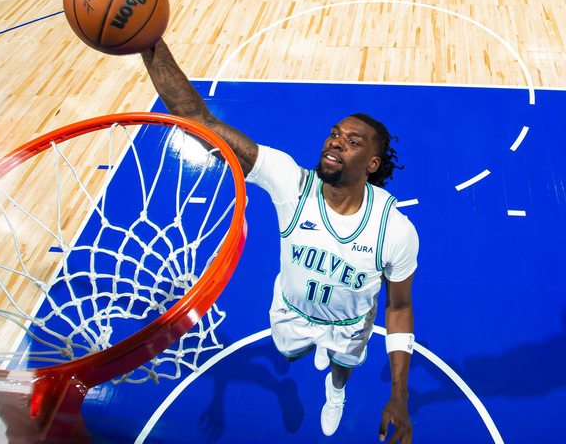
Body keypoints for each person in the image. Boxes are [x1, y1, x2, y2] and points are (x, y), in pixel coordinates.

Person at [140, 38, 419, 443]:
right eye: (335, 133)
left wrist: (399, 394)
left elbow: (400, 307)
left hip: (349, 325)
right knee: (290, 352)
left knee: (342, 365)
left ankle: (336, 391)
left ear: (372, 164)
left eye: (353, 141)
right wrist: (148, 41)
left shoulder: (394, 229)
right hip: (291, 312)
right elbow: (198, 119)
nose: (336, 141)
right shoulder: (291, 183)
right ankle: (318, 352)